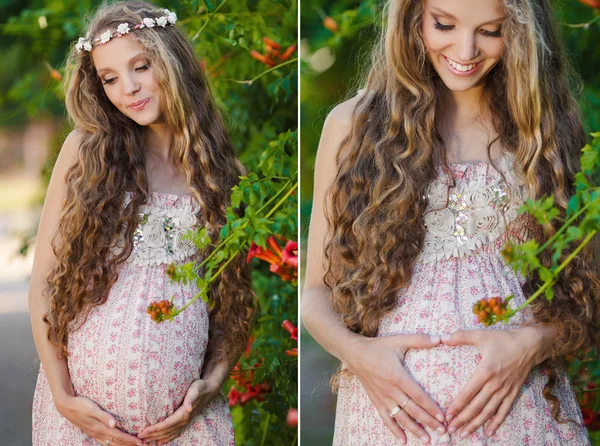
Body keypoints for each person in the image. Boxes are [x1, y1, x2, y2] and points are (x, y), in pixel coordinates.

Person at [302, 0, 600, 444]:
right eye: (444, 24)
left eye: (491, 30)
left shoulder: (545, 131)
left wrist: (534, 343)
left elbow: (588, 289)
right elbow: (314, 294)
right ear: (412, 17)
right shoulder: (354, 125)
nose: (466, 49)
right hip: (389, 418)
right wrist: (360, 355)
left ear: (520, 32)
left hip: (517, 415)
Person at [29, 1, 255, 445]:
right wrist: (61, 394)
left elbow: (231, 304)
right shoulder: (86, 155)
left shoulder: (225, 175)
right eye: (110, 78)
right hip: (82, 422)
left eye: (141, 66)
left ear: (171, 62)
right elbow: (43, 282)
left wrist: (211, 385)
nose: (128, 88)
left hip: (185, 429)